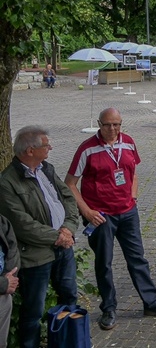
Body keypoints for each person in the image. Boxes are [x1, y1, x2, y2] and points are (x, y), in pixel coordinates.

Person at [65, 108, 156, 331]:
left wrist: (133, 196)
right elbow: (69, 184)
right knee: (104, 263)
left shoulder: (129, 142)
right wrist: (87, 212)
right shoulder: (87, 149)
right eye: (107, 125)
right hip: (101, 217)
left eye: (117, 124)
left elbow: (132, 171)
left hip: (127, 212)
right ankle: (109, 308)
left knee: (138, 259)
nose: (112, 129)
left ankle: (151, 302)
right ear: (99, 124)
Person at [0, 125, 80, 348]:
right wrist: (57, 236)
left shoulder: (47, 169)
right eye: (46, 145)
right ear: (29, 151)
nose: (51, 148)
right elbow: (22, 225)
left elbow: (68, 199)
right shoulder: (7, 183)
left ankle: (68, 342)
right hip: (36, 256)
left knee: (69, 298)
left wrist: (69, 229)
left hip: (64, 248)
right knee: (33, 312)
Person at [0, 214, 19, 348]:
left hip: (3, 294)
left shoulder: (2, 220)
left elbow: (12, 248)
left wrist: (9, 277)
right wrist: (3, 283)